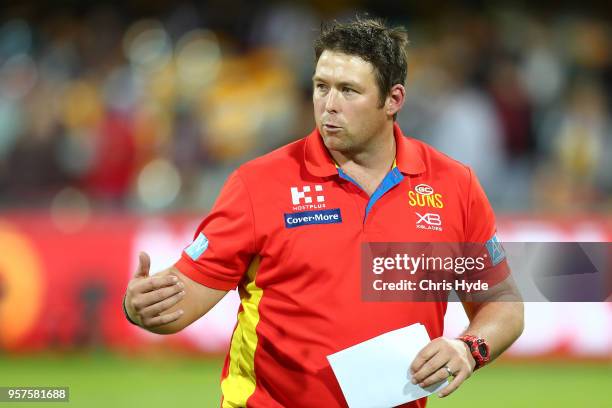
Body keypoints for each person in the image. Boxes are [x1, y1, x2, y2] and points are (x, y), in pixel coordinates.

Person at [123, 17, 524, 408]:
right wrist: (140, 307)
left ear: (394, 100)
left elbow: (502, 300)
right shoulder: (259, 184)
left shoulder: (454, 185)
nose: (329, 105)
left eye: (349, 90)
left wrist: (468, 348)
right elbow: (179, 302)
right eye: (321, 87)